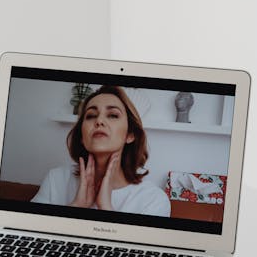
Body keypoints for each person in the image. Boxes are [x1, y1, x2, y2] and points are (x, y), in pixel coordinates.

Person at [32, 86, 170, 216]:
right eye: (91, 115)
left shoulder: (154, 200)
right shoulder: (55, 180)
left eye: (113, 115)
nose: (99, 121)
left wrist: (106, 209)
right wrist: (76, 206)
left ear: (130, 134)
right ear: (81, 136)